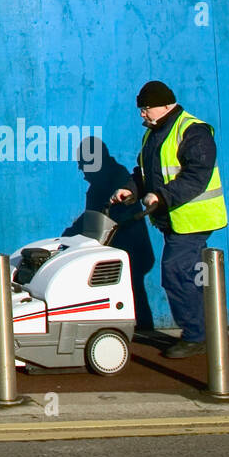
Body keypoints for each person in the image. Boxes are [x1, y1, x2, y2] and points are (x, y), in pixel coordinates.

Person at [112, 81, 226, 359]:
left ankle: (197, 337)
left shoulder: (193, 131)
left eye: (145, 108)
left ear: (165, 105)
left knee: (175, 272)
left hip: (193, 219)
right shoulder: (154, 133)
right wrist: (132, 189)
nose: (142, 114)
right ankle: (205, 330)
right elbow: (145, 172)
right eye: (141, 109)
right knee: (188, 276)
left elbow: (196, 175)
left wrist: (161, 197)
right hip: (174, 219)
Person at [66, 140, 162, 344]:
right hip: (116, 249)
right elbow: (93, 218)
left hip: (128, 250)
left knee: (131, 287)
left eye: (83, 162)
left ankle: (142, 331)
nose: (80, 167)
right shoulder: (99, 183)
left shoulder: (116, 178)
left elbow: (110, 217)